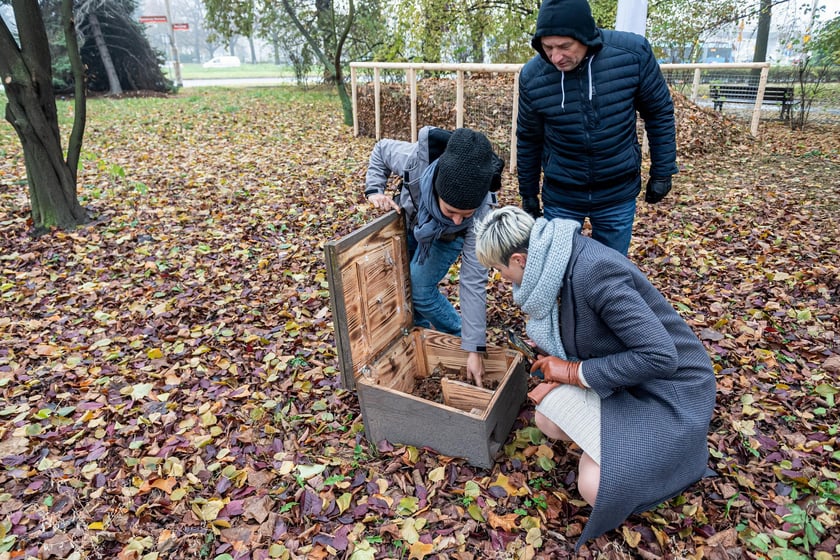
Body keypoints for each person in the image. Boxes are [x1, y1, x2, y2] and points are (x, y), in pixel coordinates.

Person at [473, 206, 716, 550]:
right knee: (547, 415)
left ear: (519, 260)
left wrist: (573, 372)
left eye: (498, 270)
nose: (500, 279)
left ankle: (663, 464)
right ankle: (625, 452)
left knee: (592, 486)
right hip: (631, 380)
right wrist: (562, 360)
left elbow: (660, 356)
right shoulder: (555, 261)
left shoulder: (594, 272)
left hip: (671, 392)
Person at [516, 0, 678, 255]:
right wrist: (528, 192)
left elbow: (658, 112)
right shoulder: (532, 76)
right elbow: (529, 137)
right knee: (558, 271)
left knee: (611, 272)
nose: (556, 57)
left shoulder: (633, 55)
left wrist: (662, 171)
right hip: (562, 195)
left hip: (617, 191)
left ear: (585, 36)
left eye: (565, 46)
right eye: (548, 47)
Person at [364, 127, 504, 387]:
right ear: (438, 188)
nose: (457, 219)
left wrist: (473, 346)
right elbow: (381, 149)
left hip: (450, 239)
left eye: (466, 214)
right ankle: (419, 338)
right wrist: (375, 191)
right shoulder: (414, 162)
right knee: (405, 287)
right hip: (413, 221)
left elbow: (472, 282)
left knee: (419, 289)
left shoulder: (480, 215)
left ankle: (455, 339)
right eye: (451, 210)